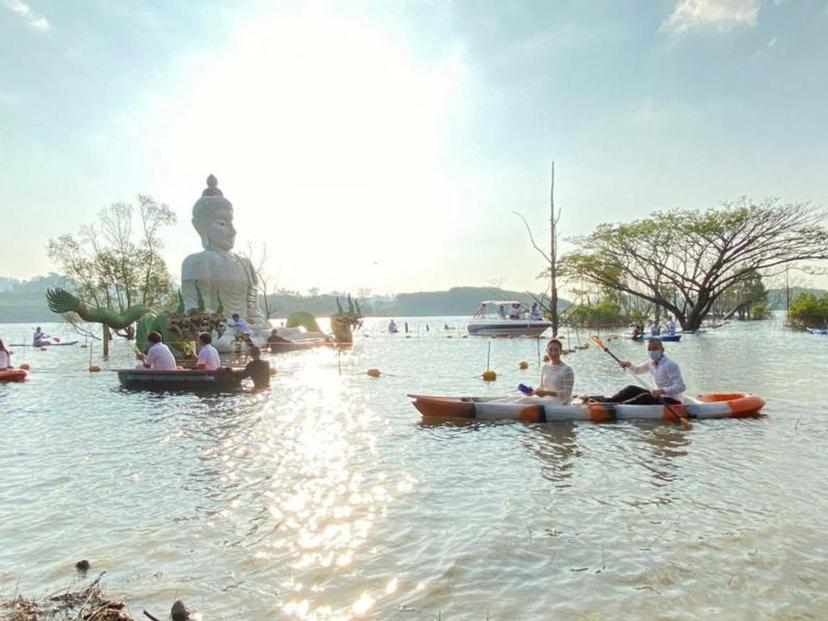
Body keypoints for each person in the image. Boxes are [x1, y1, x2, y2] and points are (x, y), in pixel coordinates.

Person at [601, 340, 685, 405]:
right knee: (631, 389)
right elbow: (637, 370)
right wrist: (628, 364)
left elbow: (681, 386)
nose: (652, 351)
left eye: (655, 348)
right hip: (657, 395)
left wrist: (661, 391)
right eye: (649, 349)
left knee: (645, 397)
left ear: (662, 350)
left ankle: (619, 406)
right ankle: (605, 401)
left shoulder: (670, 364)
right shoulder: (650, 362)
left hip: (672, 399)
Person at [532, 338, 575, 404]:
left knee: (524, 402)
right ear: (546, 351)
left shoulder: (567, 369)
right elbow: (542, 387)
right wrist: (533, 392)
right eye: (550, 350)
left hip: (561, 402)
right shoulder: (545, 367)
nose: (553, 353)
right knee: (519, 400)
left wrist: (547, 393)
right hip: (546, 400)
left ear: (561, 351)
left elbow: (567, 394)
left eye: (556, 350)